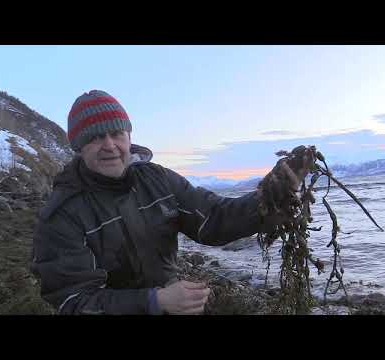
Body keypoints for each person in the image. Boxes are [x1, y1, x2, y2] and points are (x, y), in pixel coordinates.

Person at [31, 90, 304, 315]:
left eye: (117, 134)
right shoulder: (62, 214)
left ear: (129, 137)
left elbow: (215, 218)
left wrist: (272, 195)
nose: (110, 145)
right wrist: (155, 301)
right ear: (79, 147)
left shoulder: (158, 179)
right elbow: (73, 302)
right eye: (95, 137)